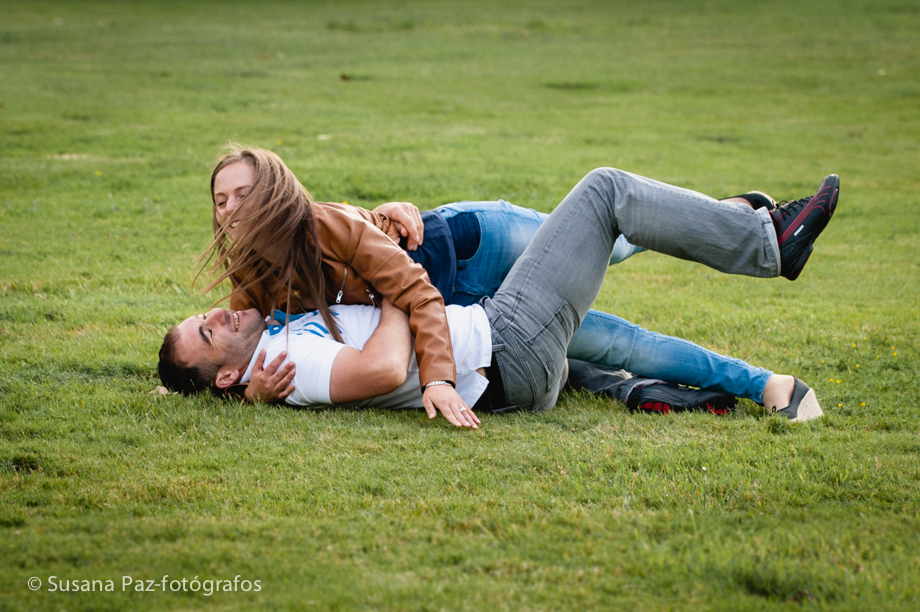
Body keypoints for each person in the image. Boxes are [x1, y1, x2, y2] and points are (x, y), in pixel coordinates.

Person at [163, 167, 839, 426]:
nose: (232, 208)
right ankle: (752, 255)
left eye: (245, 193)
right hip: (477, 324)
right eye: (221, 200)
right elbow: (215, 361)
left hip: (468, 248)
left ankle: (738, 224)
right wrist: (243, 394)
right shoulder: (254, 300)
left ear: (275, 194)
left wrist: (383, 222)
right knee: (616, 325)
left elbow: (397, 278)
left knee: (610, 239)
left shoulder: (320, 224)